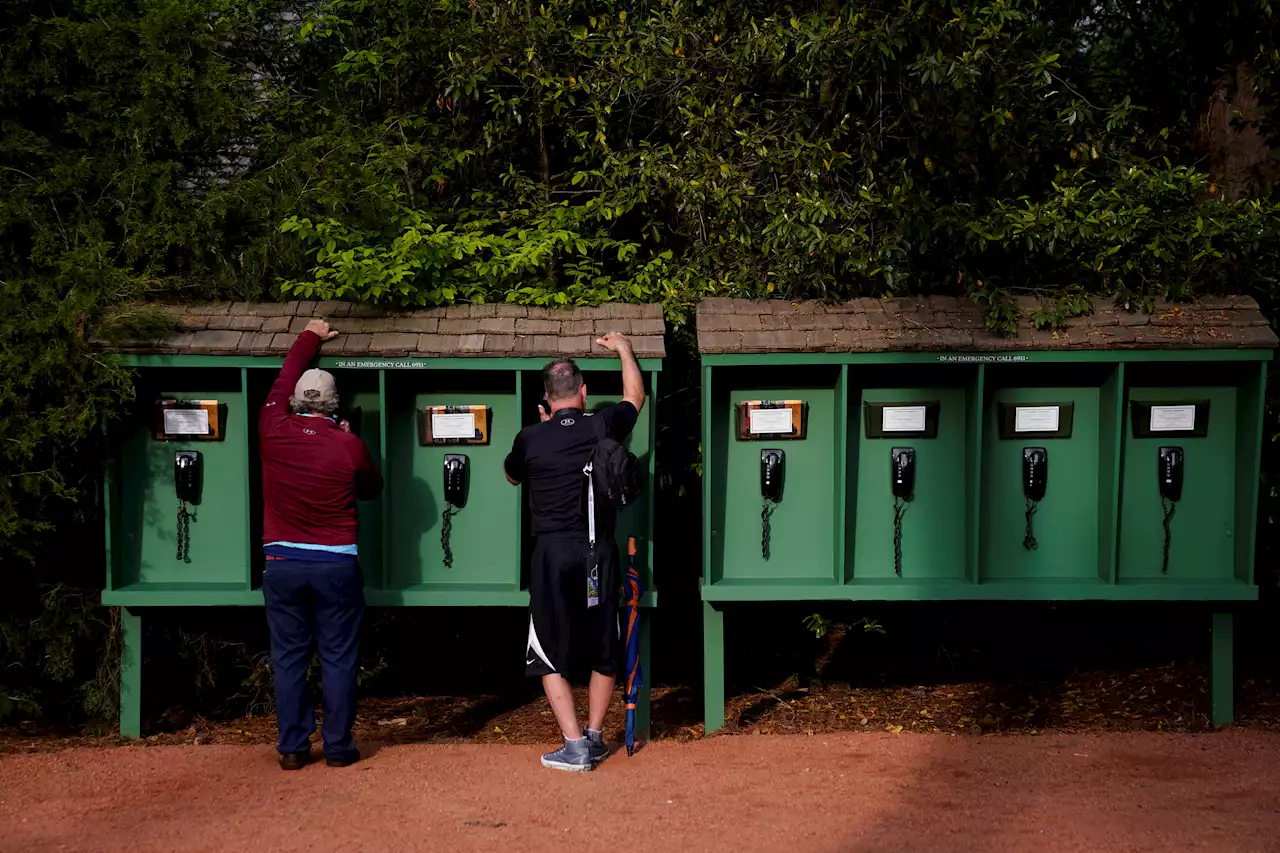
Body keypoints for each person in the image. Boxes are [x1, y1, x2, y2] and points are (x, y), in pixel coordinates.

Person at [503, 331, 646, 771]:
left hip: (550, 556)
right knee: (604, 644)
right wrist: (623, 347)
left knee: (547, 648)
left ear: (546, 398)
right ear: (583, 393)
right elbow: (635, 396)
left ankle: (573, 745)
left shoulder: (530, 437)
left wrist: (544, 430)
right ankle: (596, 736)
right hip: (596, 554)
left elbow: (511, 477)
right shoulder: (602, 424)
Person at [259, 318, 383, 771]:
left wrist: (310, 334)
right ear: (335, 407)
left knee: (289, 657)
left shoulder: (272, 424)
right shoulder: (348, 446)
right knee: (337, 657)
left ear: (293, 403)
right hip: (335, 565)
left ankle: (292, 748)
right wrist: (349, 438)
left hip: (282, 561)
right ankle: (337, 747)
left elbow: (283, 376)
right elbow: (373, 487)